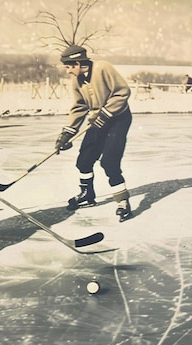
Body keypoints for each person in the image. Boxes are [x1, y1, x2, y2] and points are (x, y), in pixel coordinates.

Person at [55, 45, 133, 222]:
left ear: (77, 63)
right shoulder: (78, 80)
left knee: (109, 162)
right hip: (97, 120)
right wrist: (67, 133)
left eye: (68, 67)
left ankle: (123, 202)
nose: (68, 71)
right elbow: (79, 106)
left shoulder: (103, 68)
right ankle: (87, 194)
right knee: (84, 160)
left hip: (118, 119)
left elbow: (122, 93)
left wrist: (106, 113)